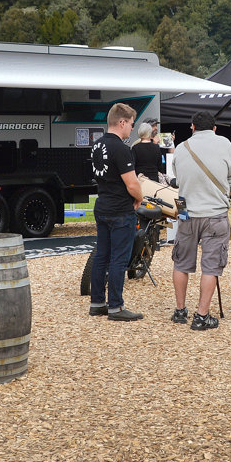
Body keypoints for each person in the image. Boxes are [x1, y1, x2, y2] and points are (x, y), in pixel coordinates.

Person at [169, 111, 231, 331]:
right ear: (214, 128)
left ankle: (180, 311)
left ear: (192, 127)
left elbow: (177, 179)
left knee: (181, 263)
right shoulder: (224, 144)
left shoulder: (181, 148)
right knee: (211, 266)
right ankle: (201, 316)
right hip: (215, 213)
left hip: (186, 212)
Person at [88, 103, 145, 321]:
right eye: (131, 124)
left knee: (101, 255)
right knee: (119, 259)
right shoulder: (121, 148)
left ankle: (97, 303)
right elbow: (131, 183)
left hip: (102, 203)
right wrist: (139, 198)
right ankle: (116, 307)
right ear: (122, 122)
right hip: (120, 208)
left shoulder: (97, 145)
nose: (132, 128)